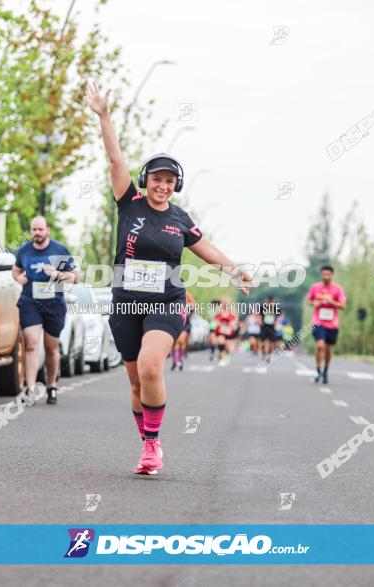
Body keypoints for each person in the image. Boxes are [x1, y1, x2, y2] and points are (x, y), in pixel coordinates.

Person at [87, 81, 253, 475]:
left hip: (167, 302)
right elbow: (114, 161)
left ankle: (153, 445)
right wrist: (104, 115)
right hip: (127, 302)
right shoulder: (129, 203)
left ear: (176, 185)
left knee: (149, 367)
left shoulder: (179, 219)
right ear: (146, 181)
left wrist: (235, 269)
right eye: (156, 179)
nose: (162, 186)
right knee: (133, 382)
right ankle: (146, 441)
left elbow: (206, 249)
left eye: (169, 181)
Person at [12, 216, 79, 404]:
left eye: (40, 229)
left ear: (48, 230)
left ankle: (52, 386)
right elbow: (15, 270)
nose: (37, 233)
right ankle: (30, 388)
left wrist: (56, 274)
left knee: (51, 347)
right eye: (34, 230)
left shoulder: (59, 250)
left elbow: (75, 278)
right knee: (32, 343)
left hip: (54, 304)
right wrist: (19, 279)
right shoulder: (24, 251)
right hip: (30, 302)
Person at [307, 264, 347, 384]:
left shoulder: (338, 289)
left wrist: (331, 302)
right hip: (318, 322)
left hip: (332, 324)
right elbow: (310, 301)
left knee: (328, 349)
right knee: (320, 345)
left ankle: (325, 370)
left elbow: (343, 306)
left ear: (332, 275)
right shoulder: (315, 287)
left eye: (328, 274)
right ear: (321, 275)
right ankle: (318, 369)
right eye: (324, 274)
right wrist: (316, 303)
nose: (326, 276)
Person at [171, 290, 195, 371]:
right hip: (172, 320)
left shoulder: (186, 294)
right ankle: (174, 361)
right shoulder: (169, 292)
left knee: (181, 341)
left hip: (184, 320)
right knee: (173, 343)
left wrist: (187, 306)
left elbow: (193, 305)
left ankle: (180, 360)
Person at [213, 296, 238, 366]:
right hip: (220, 331)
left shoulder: (232, 311)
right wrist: (219, 323)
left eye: (226, 303)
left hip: (229, 331)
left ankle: (226, 355)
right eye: (223, 303)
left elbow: (236, 319)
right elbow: (214, 319)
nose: (224, 304)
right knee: (221, 343)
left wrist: (231, 323)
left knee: (227, 347)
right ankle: (222, 358)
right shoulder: (218, 310)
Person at [259, 295, 280, 361]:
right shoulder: (263, 307)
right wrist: (260, 321)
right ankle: (263, 353)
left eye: (271, 302)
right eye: (269, 302)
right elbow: (258, 315)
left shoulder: (275, 307)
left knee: (271, 343)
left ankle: (269, 356)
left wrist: (276, 321)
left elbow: (279, 315)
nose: (270, 303)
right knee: (262, 342)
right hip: (264, 326)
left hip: (271, 327)